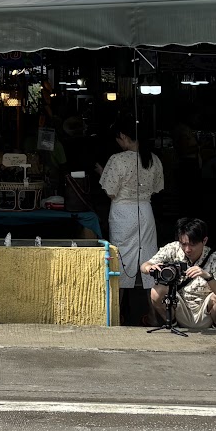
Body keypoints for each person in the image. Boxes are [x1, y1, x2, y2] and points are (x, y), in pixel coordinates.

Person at [97, 119, 164, 324]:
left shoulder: (117, 160)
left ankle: (116, 315)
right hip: (145, 212)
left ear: (124, 137)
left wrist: (101, 173)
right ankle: (153, 315)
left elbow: (110, 192)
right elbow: (156, 188)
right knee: (149, 262)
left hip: (122, 213)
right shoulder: (153, 159)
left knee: (120, 261)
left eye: (119, 138)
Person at [142, 217, 216, 330]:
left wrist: (208, 277)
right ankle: (172, 324)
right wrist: (149, 268)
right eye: (183, 244)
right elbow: (144, 265)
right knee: (157, 290)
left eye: (193, 244)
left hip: (206, 311)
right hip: (180, 306)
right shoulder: (173, 248)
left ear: (204, 241)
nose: (187, 249)